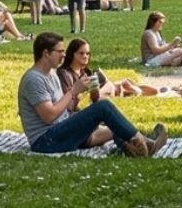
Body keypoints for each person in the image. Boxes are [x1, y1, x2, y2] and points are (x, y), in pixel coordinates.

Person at [18, 32, 166, 156]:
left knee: (114, 125)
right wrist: (73, 91)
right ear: (46, 53)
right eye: (60, 51)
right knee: (103, 107)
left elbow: (63, 111)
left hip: (59, 132)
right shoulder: (34, 79)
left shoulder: (51, 73)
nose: (64, 55)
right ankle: (145, 143)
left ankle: (139, 148)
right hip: (46, 141)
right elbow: (49, 116)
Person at [58, 39, 182, 100]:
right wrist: (107, 87)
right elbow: (76, 98)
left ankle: (170, 90)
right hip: (105, 94)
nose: (85, 56)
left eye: (87, 53)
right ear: (72, 54)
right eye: (81, 53)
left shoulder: (86, 72)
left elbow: (98, 89)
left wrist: (114, 85)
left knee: (147, 89)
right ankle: (173, 93)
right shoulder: (66, 74)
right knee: (135, 90)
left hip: (110, 90)